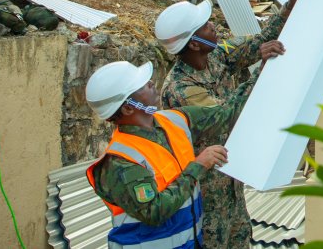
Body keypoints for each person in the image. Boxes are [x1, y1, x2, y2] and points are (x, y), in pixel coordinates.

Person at [155, 0, 311, 249]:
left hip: (230, 183)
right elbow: (225, 114)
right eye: (206, 26)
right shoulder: (181, 88)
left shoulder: (216, 56)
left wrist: (289, 7)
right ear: (194, 43)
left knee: (240, 239)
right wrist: (261, 73)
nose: (213, 26)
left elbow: (258, 43)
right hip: (206, 193)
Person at [85, 57, 264, 249]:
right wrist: (198, 166)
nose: (151, 83)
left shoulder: (173, 121)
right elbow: (154, 212)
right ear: (128, 108)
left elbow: (226, 113)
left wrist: (261, 72)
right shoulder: (120, 161)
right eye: (142, 86)